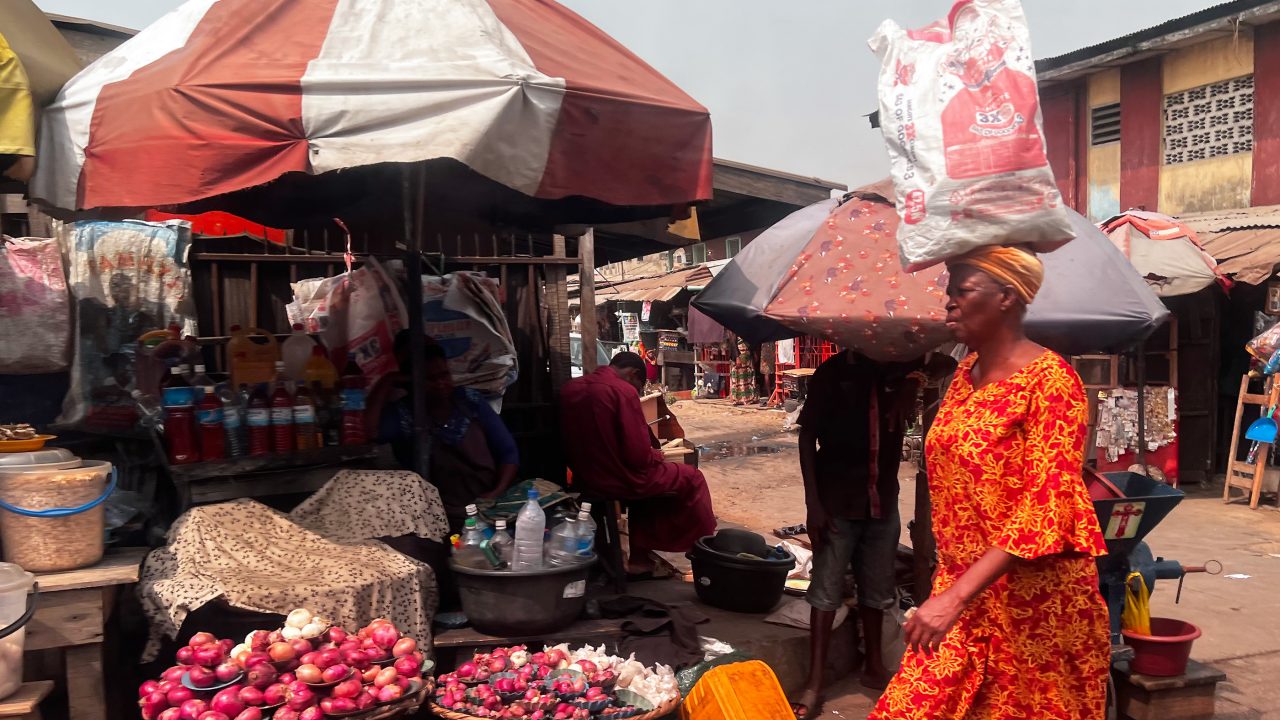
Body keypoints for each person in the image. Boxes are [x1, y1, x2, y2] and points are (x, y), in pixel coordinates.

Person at [870, 246, 1109, 720]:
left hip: (1035, 606)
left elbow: (1048, 505)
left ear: (1007, 296)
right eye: (948, 291)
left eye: (962, 291)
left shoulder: (1052, 382)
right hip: (964, 595)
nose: (949, 303)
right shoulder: (963, 375)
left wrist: (953, 597)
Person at [790, 351, 925, 719]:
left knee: (877, 590)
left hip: (882, 500)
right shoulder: (832, 373)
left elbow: (944, 363)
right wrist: (813, 504)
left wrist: (911, 387)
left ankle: (874, 666)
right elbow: (807, 439)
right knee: (825, 590)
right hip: (837, 500)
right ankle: (815, 680)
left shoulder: (898, 371)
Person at [560, 352, 716, 573]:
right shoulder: (621, 391)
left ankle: (640, 561)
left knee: (650, 482)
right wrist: (656, 455)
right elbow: (638, 457)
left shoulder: (570, 388)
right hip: (618, 477)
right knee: (692, 477)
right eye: (638, 387)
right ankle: (706, 551)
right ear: (633, 375)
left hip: (585, 477)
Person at [368, 334, 519, 530]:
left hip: (485, 506)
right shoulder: (404, 414)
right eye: (430, 379)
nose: (441, 384)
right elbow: (370, 432)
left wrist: (495, 493)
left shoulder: (469, 401)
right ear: (412, 381)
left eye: (444, 375)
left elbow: (508, 452)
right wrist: (387, 381)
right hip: (436, 516)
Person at [729, 338, 757, 406]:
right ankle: (737, 399)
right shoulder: (733, 333)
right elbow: (732, 343)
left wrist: (754, 353)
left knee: (747, 378)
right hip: (738, 357)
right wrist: (737, 356)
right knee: (737, 379)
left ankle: (747, 399)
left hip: (747, 356)